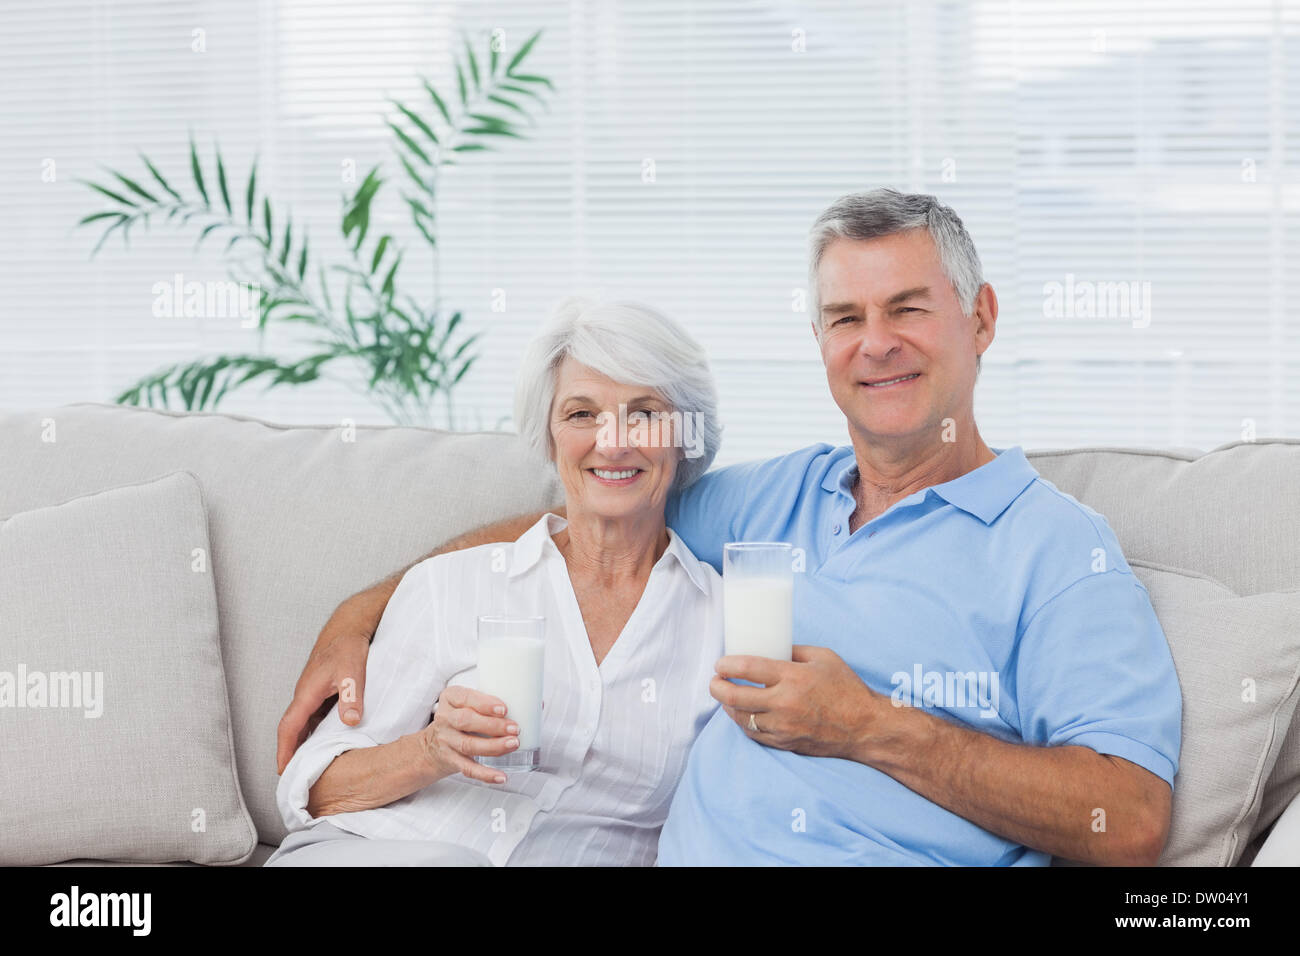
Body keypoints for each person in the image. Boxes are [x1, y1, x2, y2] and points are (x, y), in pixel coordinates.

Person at [277, 189, 1181, 866]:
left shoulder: (1058, 549)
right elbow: (592, 510)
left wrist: (870, 725)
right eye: (845, 317)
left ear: (979, 320)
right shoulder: (776, 500)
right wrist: (362, 610)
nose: (876, 342)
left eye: (907, 308)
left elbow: (1130, 817)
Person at [267, 297, 724, 866]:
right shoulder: (453, 585)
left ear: (686, 437)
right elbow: (313, 791)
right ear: (551, 436)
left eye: (645, 413)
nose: (613, 442)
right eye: (582, 414)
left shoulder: (721, 624)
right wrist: (432, 749)